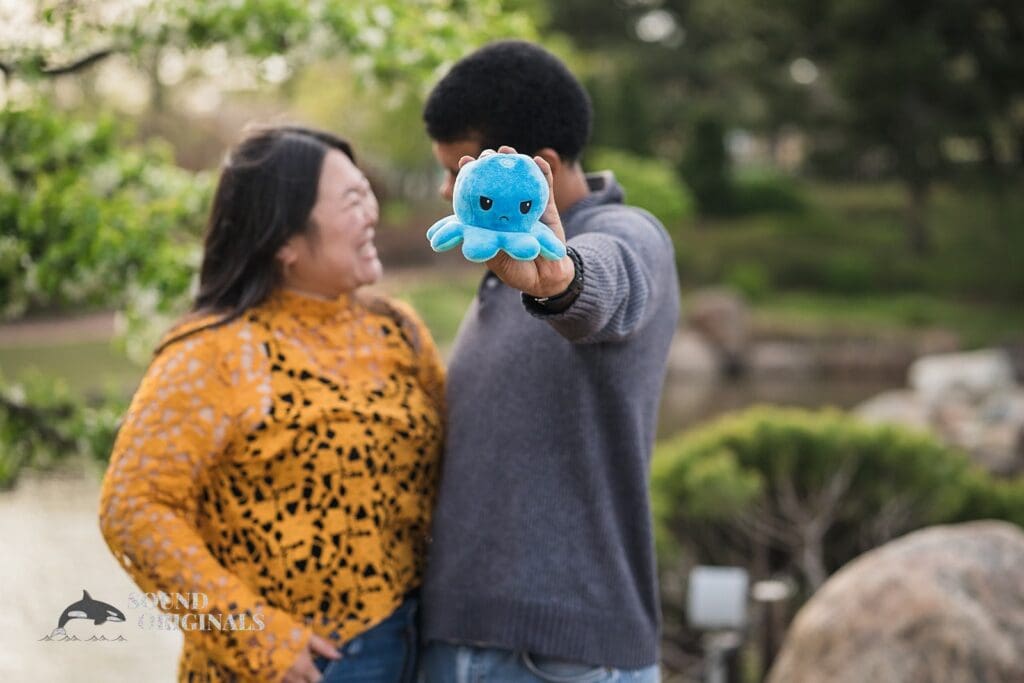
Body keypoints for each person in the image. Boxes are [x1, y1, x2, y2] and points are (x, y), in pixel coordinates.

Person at [98, 125, 445, 683]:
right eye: (351, 200)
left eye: (367, 193)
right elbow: (132, 510)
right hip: (291, 665)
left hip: (411, 647)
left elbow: (455, 471)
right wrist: (253, 636)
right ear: (285, 241)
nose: (372, 213)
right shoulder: (212, 354)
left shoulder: (398, 330)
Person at [418, 41, 680, 682]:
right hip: (460, 639)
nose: (447, 191)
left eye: (458, 173)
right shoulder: (499, 258)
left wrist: (561, 281)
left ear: (540, 168)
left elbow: (604, 287)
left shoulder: (629, 235)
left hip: (558, 659)